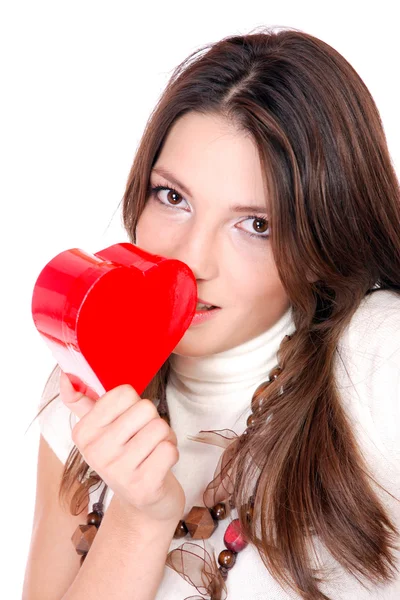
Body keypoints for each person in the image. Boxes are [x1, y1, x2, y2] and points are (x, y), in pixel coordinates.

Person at [23, 25, 400, 600]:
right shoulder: (82, 388)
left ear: (324, 243)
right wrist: (139, 518)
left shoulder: (378, 357)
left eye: (256, 225)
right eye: (172, 197)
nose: (192, 261)